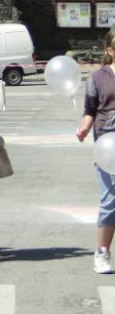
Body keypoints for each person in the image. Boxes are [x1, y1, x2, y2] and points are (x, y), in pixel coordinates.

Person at [77, 29, 115, 274]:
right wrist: (84, 128)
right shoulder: (97, 78)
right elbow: (90, 109)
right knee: (110, 201)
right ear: (110, 50)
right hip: (108, 147)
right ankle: (101, 253)